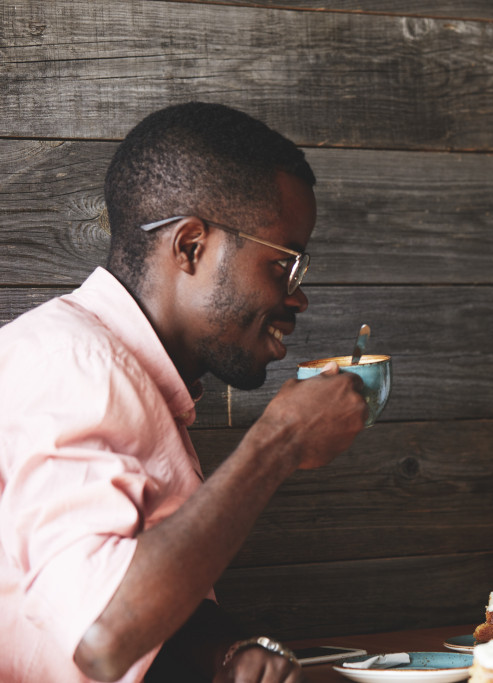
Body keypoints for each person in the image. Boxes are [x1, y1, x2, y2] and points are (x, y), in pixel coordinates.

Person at [0, 102, 370, 682]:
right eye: (284, 265)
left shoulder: (129, 375)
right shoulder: (76, 366)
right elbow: (100, 639)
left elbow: (125, 590)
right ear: (190, 246)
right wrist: (279, 441)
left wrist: (224, 653)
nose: (298, 298)